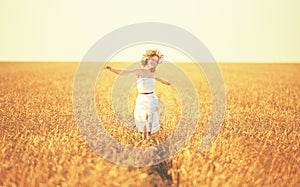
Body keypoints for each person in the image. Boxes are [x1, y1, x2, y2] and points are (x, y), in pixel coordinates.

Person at [105, 49, 171, 141]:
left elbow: (166, 82)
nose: (154, 62)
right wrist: (112, 69)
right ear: (147, 60)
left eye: (156, 61)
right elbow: (124, 73)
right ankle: (145, 139)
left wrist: (168, 82)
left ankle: (148, 138)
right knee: (142, 119)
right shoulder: (139, 71)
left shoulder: (154, 74)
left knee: (148, 117)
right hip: (141, 99)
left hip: (151, 98)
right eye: (152, 60)